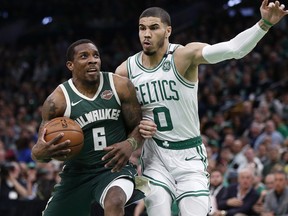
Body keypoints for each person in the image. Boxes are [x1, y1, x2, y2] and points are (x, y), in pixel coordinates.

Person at [115, 1, 288, 215]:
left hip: (189, 155)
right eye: (142, 28)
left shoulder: (184, 55)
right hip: (153, 156)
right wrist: (135, 131)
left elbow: (234, 49)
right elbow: (116, 116)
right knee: (158, 207)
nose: (146, 34)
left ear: (168, 31)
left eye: (153, 27)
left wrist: (263, 24)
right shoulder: (125, 70)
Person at [31, 39, 145, 216]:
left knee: (114, 201)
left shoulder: (120, 86)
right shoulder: (58, 100)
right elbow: (38, 152)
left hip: (115, 168)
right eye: (84, 56)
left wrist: (130, 144)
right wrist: (43, 153)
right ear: (70, 65)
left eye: (96, 55)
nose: (93, 60)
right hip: (77, 174)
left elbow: (139, 126)